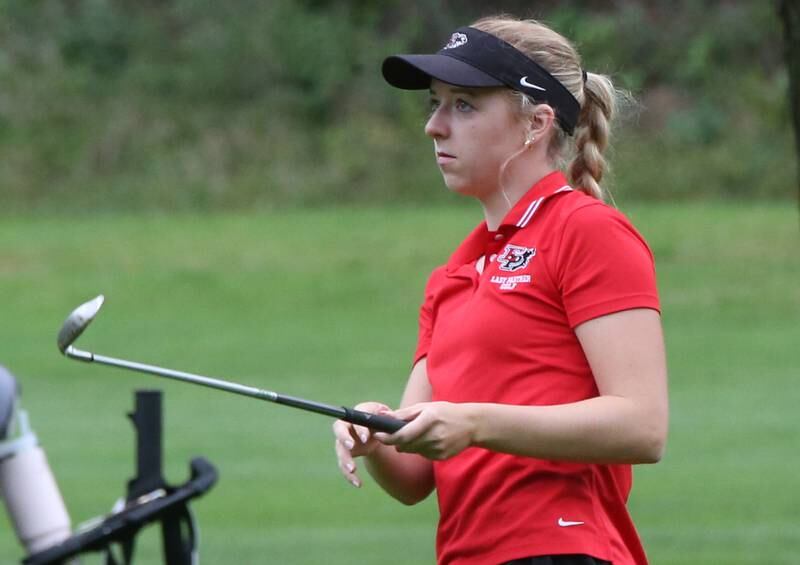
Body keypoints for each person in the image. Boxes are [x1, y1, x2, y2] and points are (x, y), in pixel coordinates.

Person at [332, 15, 668, 565]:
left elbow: (642, 425)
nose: (435, 126)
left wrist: (474, 422)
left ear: (536, 123)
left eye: (463, 104)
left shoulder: (587, 231)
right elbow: (415, 476)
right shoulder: (454, 274)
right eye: (435, 103)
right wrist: (377, 432)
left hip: (564, 549)